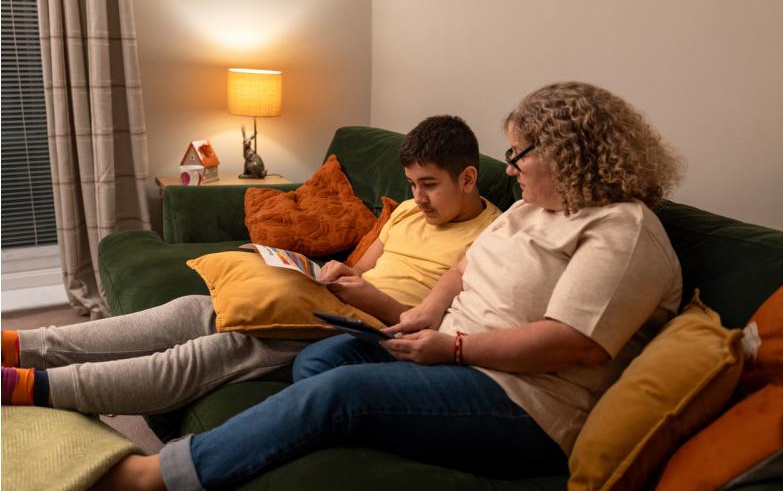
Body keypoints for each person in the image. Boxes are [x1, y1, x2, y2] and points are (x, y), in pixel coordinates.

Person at [95, 81, 685, 491]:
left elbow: (572, 343)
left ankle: (159, 476)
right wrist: (426, 316)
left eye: (519, 153)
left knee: (340, 392)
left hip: (526, 403)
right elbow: (462, 270)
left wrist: (452, 348)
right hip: (451, 353)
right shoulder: (533, 209)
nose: (511, 167)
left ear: (568, 153)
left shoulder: (623, 229)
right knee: (325, 357)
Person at [1, 115, 501, 415]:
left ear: (469, 177)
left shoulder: (491, 238)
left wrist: (368, 299)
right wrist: (328, 274)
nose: (417, 198)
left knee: (220, 347)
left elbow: (437, 323)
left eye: (429, 184)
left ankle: (32, 386)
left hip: (378, 331)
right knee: (195, 309)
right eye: (411, 184)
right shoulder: (410, 212)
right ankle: (23, 343)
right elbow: (362, 270)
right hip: (336, 305)